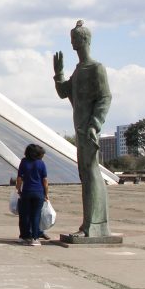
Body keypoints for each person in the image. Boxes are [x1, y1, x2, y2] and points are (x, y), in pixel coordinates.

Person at [54, 20, 113, 238]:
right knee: (85, 174)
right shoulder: (78, 70)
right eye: (71, 39)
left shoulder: (96, 68)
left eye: (75, 39)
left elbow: (105, 97)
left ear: (85, 39)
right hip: (80, 128)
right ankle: (90, 224)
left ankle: (96, 225)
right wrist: (58, 74)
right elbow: (64, 92)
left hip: (88, 129)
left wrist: (95, 124)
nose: (72, 44)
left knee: (91, 173)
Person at [16, 143, 49, 246]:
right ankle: (35, 238)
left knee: (24, 215)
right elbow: (45, 180)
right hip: (39, 192)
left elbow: (19, 178)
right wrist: (46, 193)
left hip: (26, 191)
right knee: (36, 215)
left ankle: (24, 237)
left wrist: (18, 189)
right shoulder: (41, 163)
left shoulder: (24, 162)